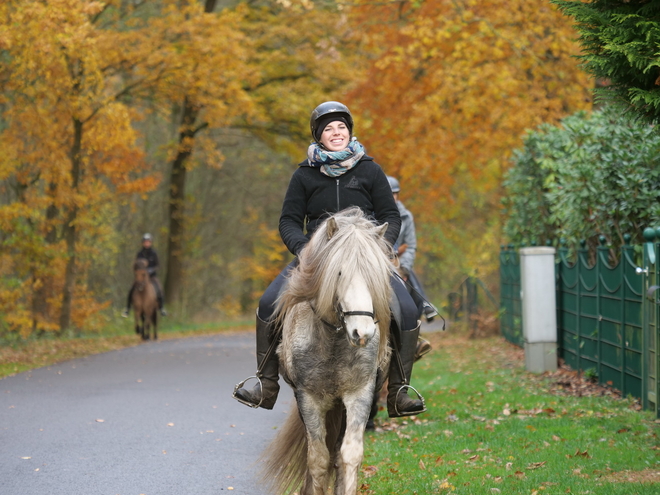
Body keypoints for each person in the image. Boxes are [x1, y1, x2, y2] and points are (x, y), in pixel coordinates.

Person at [232, 101, 426, 418]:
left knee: (405, 308)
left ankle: (399, 390)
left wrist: (378, 249)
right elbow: (288, 221)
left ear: (349, 132)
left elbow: (390, 215)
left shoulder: (370, 170)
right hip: (315, 257)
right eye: (329, 129)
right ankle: (266, 384)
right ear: (319, 137)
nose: (336, 133)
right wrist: (305, 249)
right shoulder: (304, 175)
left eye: (341, 128)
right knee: (268, 304)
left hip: (363, 258)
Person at [387, 176, 439, 324]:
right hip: (380, 260)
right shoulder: (374, 213)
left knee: (409, 276)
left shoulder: (406, 217)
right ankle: (425, 304)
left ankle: (416, 325)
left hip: (399, 261)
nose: (391, 197)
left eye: (394, 194)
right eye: (388, 194)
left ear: (398, 195)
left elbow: (410, 246)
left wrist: (403, 269)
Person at [121, 233, 167, 318]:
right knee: (132, 289)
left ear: (151, 243)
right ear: (143, 243)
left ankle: (162, 308)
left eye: (148, 242)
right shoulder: (140, 253)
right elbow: (136, 264)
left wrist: (150, 270)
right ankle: (127, 308)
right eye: (145, 242)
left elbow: (158, 265)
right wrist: (138, 272)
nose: (146, 243)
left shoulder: (154, 253)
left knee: (159, 288)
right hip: (141, 277)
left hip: (152, 276)